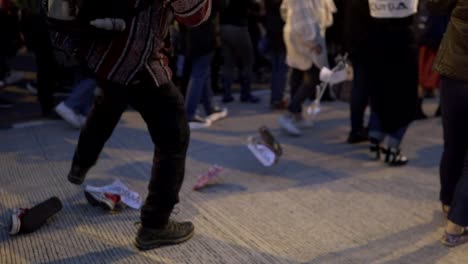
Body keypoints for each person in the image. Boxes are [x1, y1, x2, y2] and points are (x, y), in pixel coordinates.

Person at [52, 0, 211, 250]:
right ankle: (155, 226)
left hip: (105, 50)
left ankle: (80, 165)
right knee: (174, 136)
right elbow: (193, 15)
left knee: (108, 104)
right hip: (137, 59)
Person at [357, 0, 418, 166]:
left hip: (378, 36)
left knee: (380, 93)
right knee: (405, 100)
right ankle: (392, 148)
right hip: (403, 40)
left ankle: (375, 141)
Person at [428, 0, 468, 247]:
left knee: (453, 143)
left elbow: (434, 5)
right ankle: (456, 223)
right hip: (453, 73)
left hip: (453, 74)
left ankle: (447, 201)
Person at [278, 0, 336, 136]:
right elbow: (305, 17)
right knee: (314, 75)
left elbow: (284, 10)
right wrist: (313, 40)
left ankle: (296, 115)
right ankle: (290, 113)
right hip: (305, 35)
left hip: (296, 32)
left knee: (298, 72)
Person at [184, 0, 228, 129]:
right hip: (205, 34)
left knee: (203, 72)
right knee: (199, 74)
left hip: (192, 34)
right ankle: (189, 113)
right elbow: (222, 5)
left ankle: (209, 107)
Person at [220, 0, 260, 103]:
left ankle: (227, 94)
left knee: (228, 63)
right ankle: (245, 93)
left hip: (224, 26)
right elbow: (254, 5)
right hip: (239, 26)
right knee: (248, 61)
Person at [264, 0, 288, 110]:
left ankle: (275, 98)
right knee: (282, 70)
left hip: (272, 34)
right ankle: (279, 98)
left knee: (276, 68)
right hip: (282, 34)